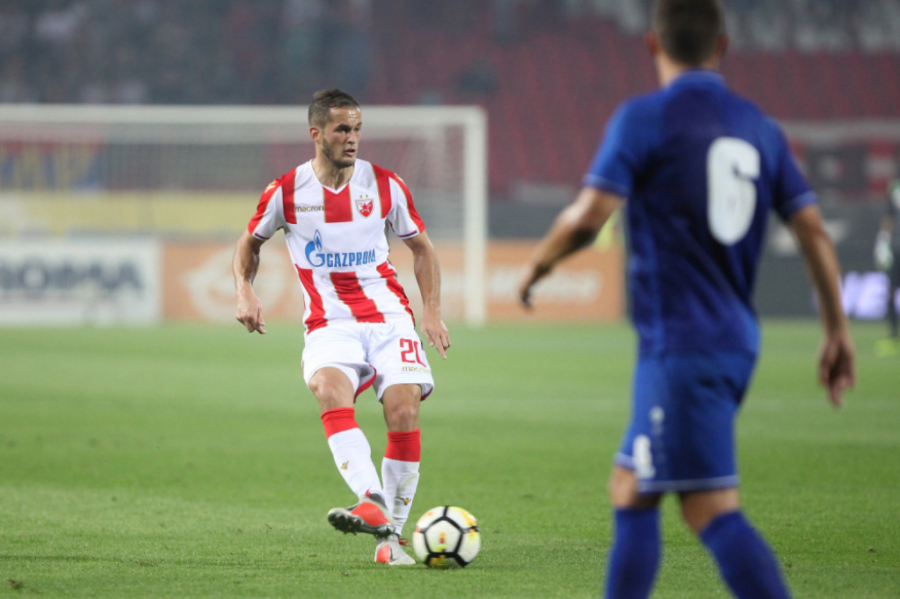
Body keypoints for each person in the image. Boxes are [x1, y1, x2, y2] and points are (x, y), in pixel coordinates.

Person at [517, 1, 855, 597]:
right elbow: (813, 232)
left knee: (709, 508)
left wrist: (537, 266)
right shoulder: (760, 127)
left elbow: (589, 216)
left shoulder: (644, 118)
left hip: (682, 346)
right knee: (630, 488)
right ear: (722, 45)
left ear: (653, 44)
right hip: (733, 338)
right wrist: (837, 330)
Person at [233, 89, 451, 566]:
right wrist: (244, 290)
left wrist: (431, 310)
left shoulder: (386, 185)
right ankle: (371, 498)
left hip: (389, 317)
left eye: (357, 129)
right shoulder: (286, 191)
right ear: (316, 134)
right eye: (342, 130)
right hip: (329, 321)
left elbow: (422, 248)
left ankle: (390, 542)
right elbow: (248, 244)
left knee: (403, 411)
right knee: (329, 390)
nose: (352, 138)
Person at [874, 178, 900, 354]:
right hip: (897, 249)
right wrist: (883, 242)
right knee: (890, 291)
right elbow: (889, 217)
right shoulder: (895, 188)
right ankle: (893, 336)